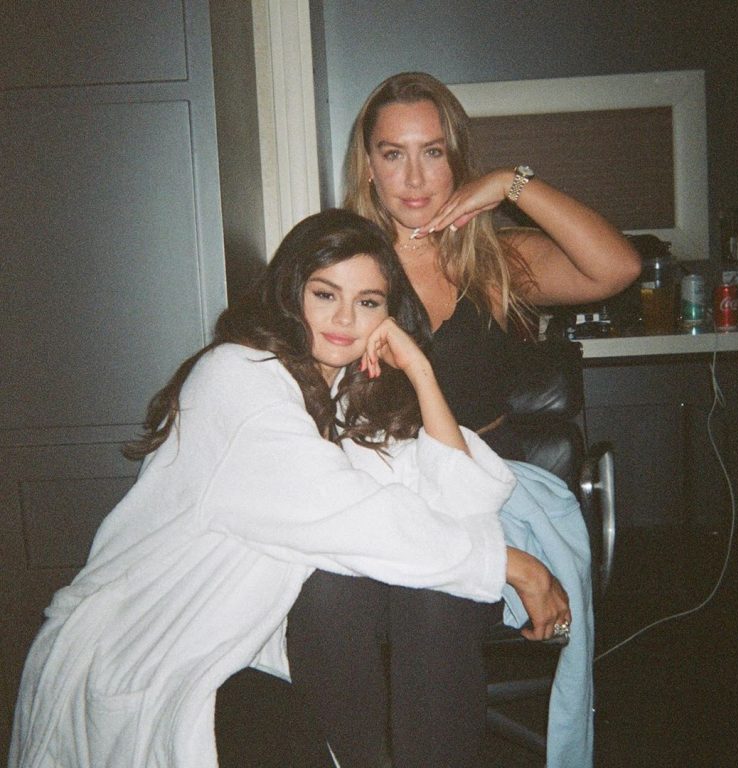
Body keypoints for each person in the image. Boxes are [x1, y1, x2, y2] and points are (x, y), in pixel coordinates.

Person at [9, 209, 567, 768]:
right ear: (291, 294)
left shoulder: (346, 392)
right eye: (325, 294)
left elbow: (461, 501)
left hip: (251, 632)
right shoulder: (238, 375)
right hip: (161, 634)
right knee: (358, 583)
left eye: (368, 302)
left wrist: (421, 372)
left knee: (419, 588)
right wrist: (516, 566)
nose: (345, 318)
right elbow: (345, 514)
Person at [287, 72, 643, 768]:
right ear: (368, 165)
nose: (415, 177)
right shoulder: (343, 264)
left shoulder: (495, 260)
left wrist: (512, 185)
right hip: (377, 488)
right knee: (326, 602)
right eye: (393, 154)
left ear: (458, 159)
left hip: (485, 488)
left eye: (434, 152)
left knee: (437, 597)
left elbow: (618, 267)